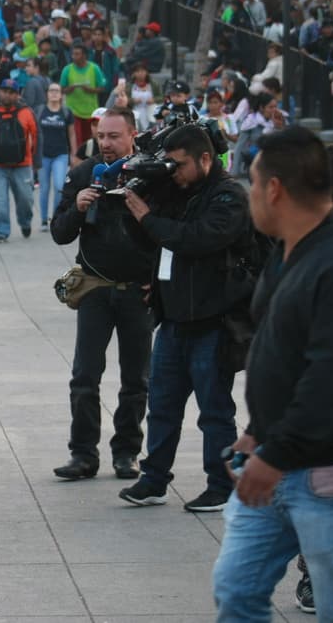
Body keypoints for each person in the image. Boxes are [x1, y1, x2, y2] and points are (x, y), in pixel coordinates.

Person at [212, 127, 333, 622]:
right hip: (275, 456)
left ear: (274, 189)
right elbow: (283, 351)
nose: (248, 193)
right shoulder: (288, 247)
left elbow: (330, 375)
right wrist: (257, 432)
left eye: (252, 182)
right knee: (236, 590)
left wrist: (276, 455)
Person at [120, 124, 253, 512]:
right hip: (174, 319)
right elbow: (149, 240)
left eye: (178, 165)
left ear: (205, 159)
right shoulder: (175, 191)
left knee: (214, 411)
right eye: (169, 164)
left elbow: (197, 239)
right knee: (162, 405)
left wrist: (148, 218)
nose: (173, 172)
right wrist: (138, 201)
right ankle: (154, 479)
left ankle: (221, 485)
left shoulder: (229, 196)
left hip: (214, 321)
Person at [51, 109, 157, 481]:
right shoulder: (84, 173)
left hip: (138, 293)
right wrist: (77, 208)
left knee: (136, 379)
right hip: (95, 288)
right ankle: (83, 454)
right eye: (102, 136)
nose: (106, 143)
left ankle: (127, 453)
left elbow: (170, 232)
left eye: (114, 136)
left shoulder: (151, 175)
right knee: (84, 376)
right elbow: (59, 232)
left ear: (133, 135)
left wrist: (158, 283)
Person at [0, 79, 39, 242]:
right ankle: (1, 231)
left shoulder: (26, 112)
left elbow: (36, 136)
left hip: (23, 164)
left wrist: (35, 163)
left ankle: (25, 222)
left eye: (11, 92)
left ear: (17, 95)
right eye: (4, 91)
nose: (7, 95)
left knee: (26, 199)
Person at [36, 84, 75, 231]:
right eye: (51, 90)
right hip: (43, 154)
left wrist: (74, 153)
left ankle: (55, 217)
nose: (53, 93)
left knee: (59, 186)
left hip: (61, 154)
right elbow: (33, 132)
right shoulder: (40, 111)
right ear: (47, 93)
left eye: (56, 91)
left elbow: (72, 134)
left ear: (61, 94)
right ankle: (43, 220)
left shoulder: (66, 112)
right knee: (44, 188)